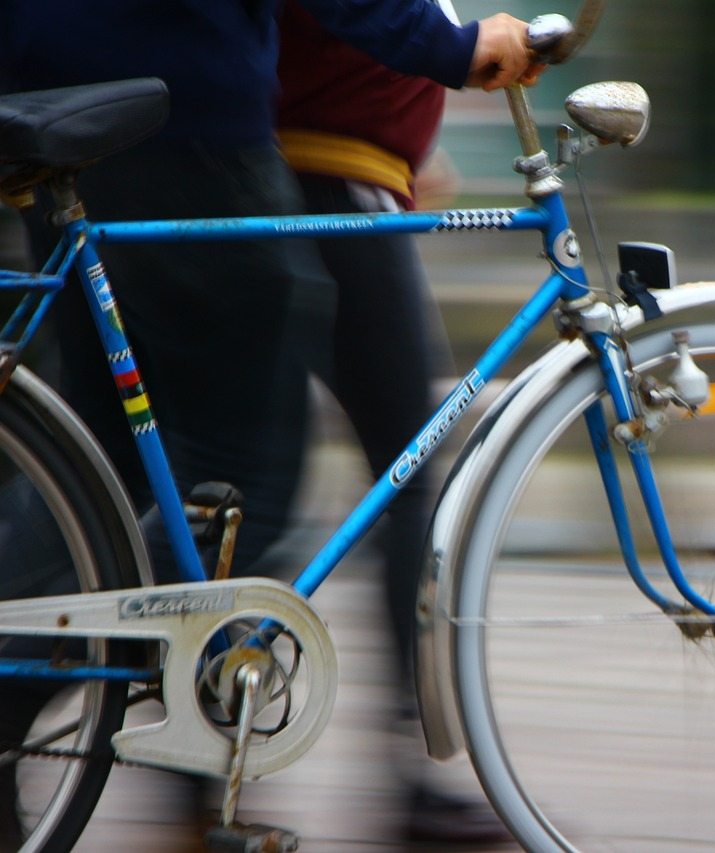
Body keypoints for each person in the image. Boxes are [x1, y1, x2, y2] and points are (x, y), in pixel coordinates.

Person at [0, 0, 540, 847]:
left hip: (56, 113)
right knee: (249, 465)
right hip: (184, 117)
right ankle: (83, 717)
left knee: (98, 472)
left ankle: (92, 738)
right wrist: (451, 49)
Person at [273, 0, 508, 843]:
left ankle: (197, 776)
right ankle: (412, 776)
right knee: (408, 473)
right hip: (331, 181)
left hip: (316, 172)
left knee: (252, 476)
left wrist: (410, 140)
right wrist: (461, 51)